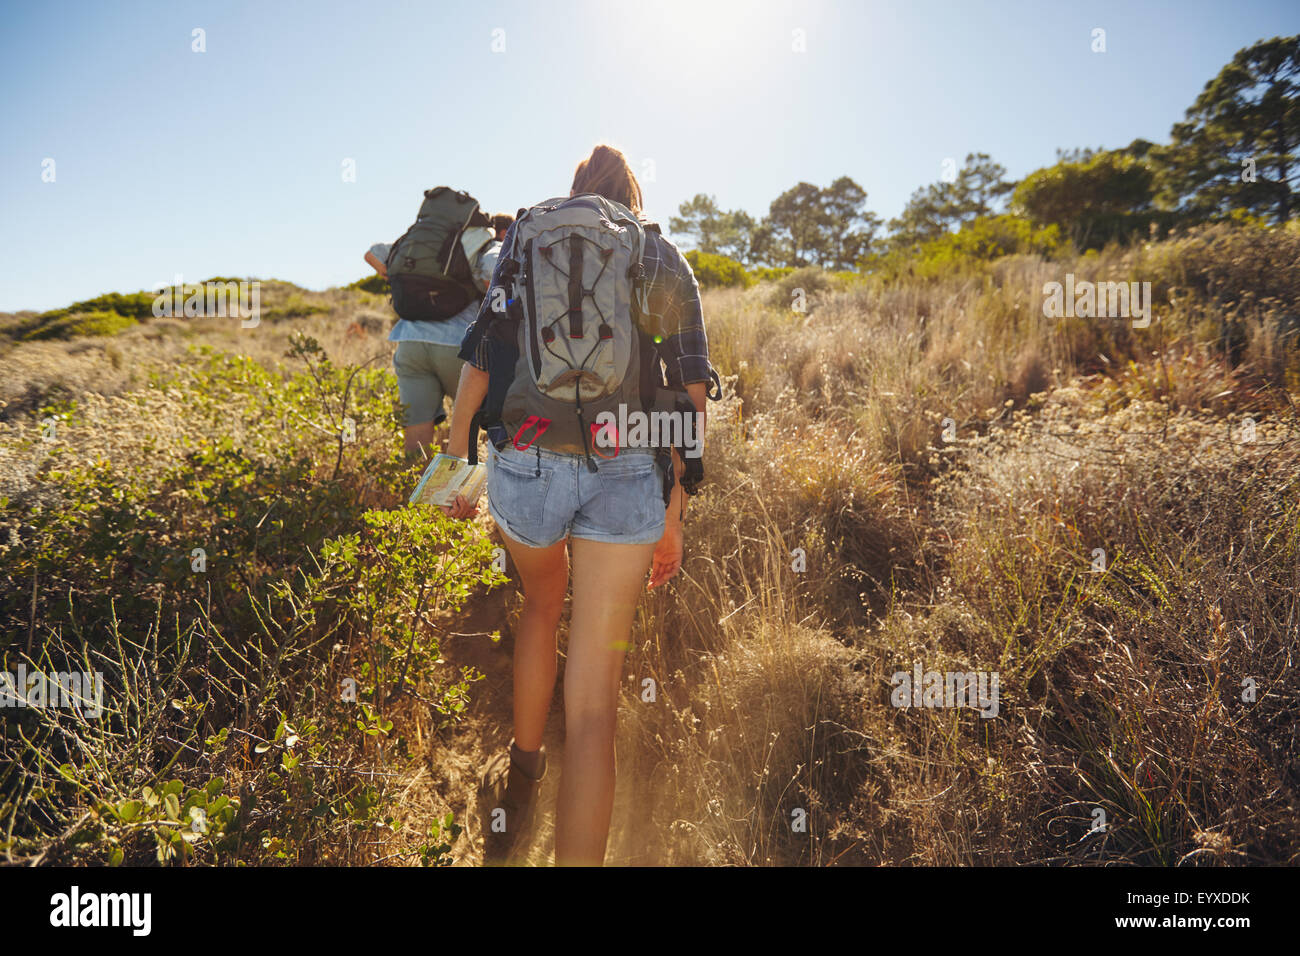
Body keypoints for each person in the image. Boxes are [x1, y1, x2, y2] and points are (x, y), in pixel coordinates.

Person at [441, 145, 711, 866]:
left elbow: (482, 356)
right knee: (594, 708)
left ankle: (524, 771)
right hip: (628, 469)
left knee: (539, 606)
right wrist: (674, 512)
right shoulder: (657, 252)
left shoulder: (527, 239)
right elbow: (689, 395)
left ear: (575, 193)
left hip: (527, 458)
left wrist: (456, 457)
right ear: (630, 197)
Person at [365, 212, 515, 460]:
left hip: (411, 341)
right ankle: (460, 494)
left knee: (416, 439)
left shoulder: (438, 245)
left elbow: (373, 254)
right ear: (503, 233)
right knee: (471, 429)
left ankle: (415, 490)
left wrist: (407, 285)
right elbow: (495, 272)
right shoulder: (489, 245)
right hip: (458, 345)